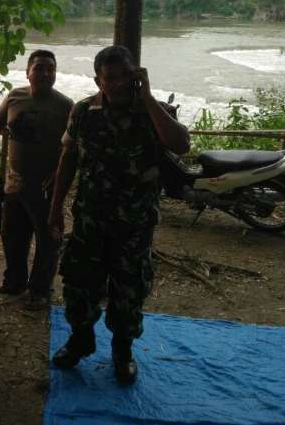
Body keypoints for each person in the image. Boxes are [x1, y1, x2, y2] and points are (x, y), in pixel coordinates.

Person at [48, 46, 190, 384]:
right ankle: (80, 340)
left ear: (136, 75)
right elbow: (68, 159)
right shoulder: (84, 111)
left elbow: (181, 144)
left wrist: (149, 98)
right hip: (90, 219)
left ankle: (122, 351)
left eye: (126, 75)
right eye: (110, 78)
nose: (118, 83)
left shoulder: (155, 111)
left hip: (135, 224)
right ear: (98, 80)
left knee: (129, 290)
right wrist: (55, 208)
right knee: (79, 284)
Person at [0, 49, 73, 309]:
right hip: (15, 183)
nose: (45, 73)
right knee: (12, 235)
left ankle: (40, 290)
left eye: (50, 69)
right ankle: (14, 282)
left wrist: (58, 173)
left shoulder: (66, 105)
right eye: (39, 68)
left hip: (46, 187)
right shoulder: (15, 96)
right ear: (28, 72)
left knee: (48, 239)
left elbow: (74, 146)